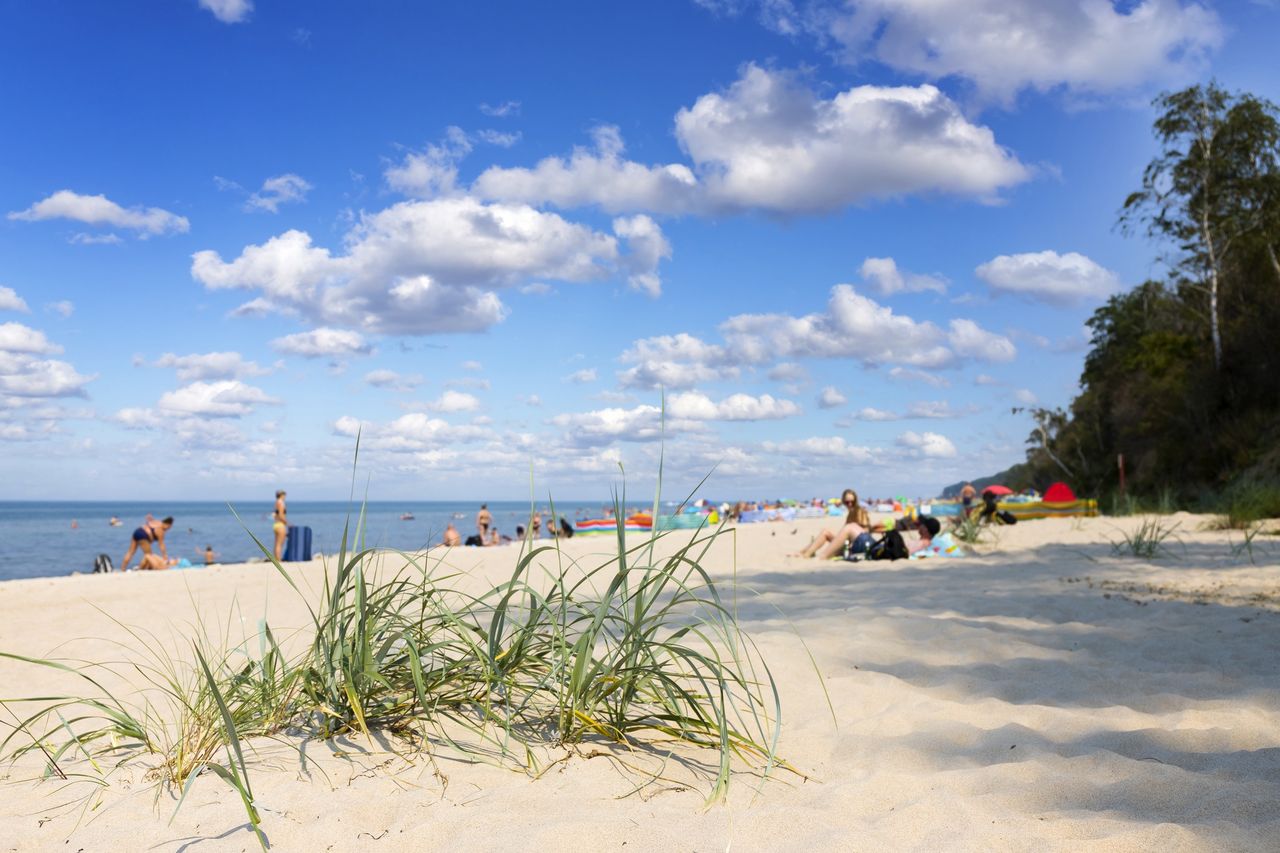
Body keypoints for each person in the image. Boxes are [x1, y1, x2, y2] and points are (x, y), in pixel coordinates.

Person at [799, 489, 871, 558]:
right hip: (847, 543)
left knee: (825, 533)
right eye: (847, 502)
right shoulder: (851, 513)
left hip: (854, 547)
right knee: (825, 532)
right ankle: (802, 552)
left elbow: (865, 533)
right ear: (843, 501)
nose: (850, 504)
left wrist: (851, 544)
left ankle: (806, 555)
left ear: (855, 500)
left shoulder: (859, 511)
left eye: (852, 501)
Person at [272, 490, 288, 562]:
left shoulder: (276, 503)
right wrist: (287, 523)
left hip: (276, 524)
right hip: (280, 525)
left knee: (276, 543)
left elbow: (276, 514)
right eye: (284, 495)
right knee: (280, 544)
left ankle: (276, 559)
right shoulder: (281, 503)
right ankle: (278, 560)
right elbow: (281, 515)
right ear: (282, 495)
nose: (285, 497)